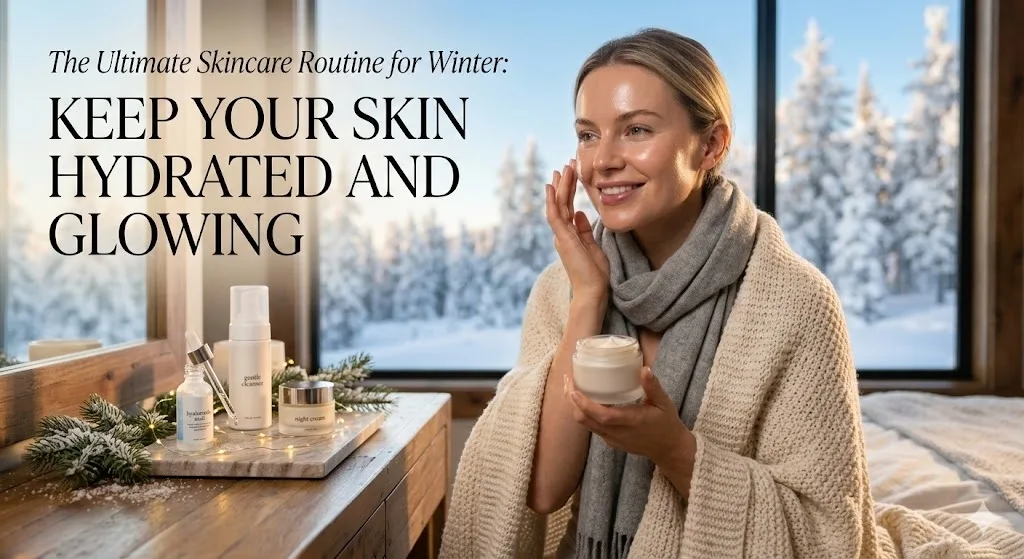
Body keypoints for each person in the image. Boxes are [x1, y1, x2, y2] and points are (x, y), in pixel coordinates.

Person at [439, 28, 1024, 559]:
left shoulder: (796, 301)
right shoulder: (564, 287)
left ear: (712, 145)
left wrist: (674, 449)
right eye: (588, 135)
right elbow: (541, 492)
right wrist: (588, 298)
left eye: (636, 129)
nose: (604, 161)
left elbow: (826, 536)